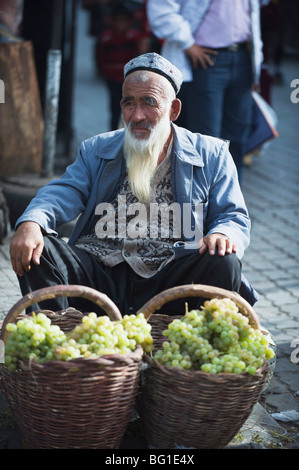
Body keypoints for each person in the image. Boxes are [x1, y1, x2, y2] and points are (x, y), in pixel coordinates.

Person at [9, 52, 257, 316]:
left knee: (223, 261)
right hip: (99, 277)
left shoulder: (212, 153)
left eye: (149, 103)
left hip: (171, 278)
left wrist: (223, 234)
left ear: (173, 110)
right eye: (130, 103)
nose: (137, 115)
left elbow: (232, 215)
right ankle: (62, 340)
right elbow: (65, 190)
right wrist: (31, 222)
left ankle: (195, 344)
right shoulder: (97, 149)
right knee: (38, 248)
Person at [146, 0, 270, 183]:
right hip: (205, 59)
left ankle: (230, 203)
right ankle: (200, 202)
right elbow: (161, 10)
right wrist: (188, 44)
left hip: (244, 56)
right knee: (205, 139)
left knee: (237, 136)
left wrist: (255, 64)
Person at [96, 3, 149, 130]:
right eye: (118, 20)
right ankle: (114, 133)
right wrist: (104, 72)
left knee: (131, 107)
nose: (120, 24)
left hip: (129, 80)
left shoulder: (134, 37)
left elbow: (140, 53)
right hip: (112, 78)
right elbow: (100, 57)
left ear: (130, 22)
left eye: (124, 20)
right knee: (115, 107)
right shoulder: (106, 38)